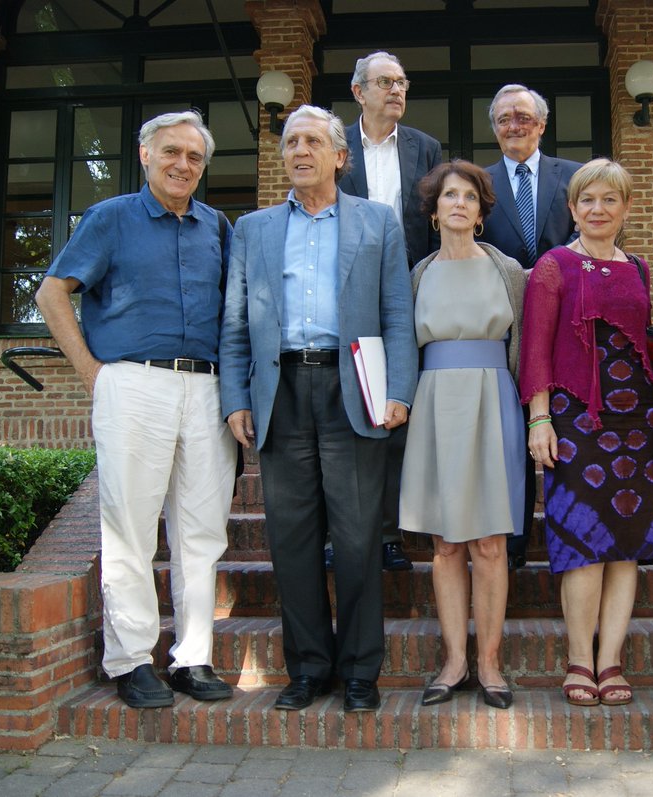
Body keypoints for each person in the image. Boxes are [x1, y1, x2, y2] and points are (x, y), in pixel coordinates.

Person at [218, 105, 418, 714]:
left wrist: (399, 391)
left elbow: (397, 313)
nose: (299, 151)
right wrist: (235, 398)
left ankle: (359, 671)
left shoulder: (377, 221)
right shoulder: (252, 229)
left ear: (340, 156)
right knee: (291, 538)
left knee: (358, 538)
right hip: (279, 392)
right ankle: (307, 668)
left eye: (312, 141)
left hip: (352, 387)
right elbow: (234, 324)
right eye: (290, 142)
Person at [35, 110, 237, 709]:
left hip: (206, 389)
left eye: (194, 156)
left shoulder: (216, 226)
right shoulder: (111, 218)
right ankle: (130, 659)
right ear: (145, 154)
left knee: (202, 531)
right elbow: (51, 292)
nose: (183, 165)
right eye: (171, 152)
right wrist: (92, 373)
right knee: (130, 528)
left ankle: (192, 657)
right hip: (133, 383)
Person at [521, 158, 653, 707]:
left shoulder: (641, 268)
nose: (598, 209)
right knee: (583, 542)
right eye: (588, 200)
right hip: (577, 418)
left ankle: (611, 661)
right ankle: (580, 659)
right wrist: (540, 419)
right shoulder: (554, 266)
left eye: (610, 200)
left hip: (639, 423)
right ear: (572, 208)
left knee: (626, 546)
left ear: (626, 208)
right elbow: (535, 348)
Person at [399, 161, 527, 710]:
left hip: (494, 401)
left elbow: (526, 345)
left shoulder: (508, 271)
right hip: (433, 405)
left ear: (481, 213)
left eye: (469, 197)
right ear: (434, 212)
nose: (459, 203)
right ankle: (454, 661)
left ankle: (490, 663)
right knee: (446, 543)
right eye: (449, 195)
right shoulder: (417, 274)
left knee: (491, 542)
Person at [337, 50, 442, 572]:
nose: (397, 90)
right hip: (349, 292)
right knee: (346, 411)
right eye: (385, 82)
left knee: (397, 408)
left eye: (401, 82)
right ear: (359, 92)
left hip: (406, 291)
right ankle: (341, 533)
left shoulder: (425, 147)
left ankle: (388, 533)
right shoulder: (335, 145)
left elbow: (433, 220)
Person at [479, 83, 582, 571]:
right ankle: (515, 541)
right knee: (510, 436)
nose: (513, 125)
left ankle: (575, 531)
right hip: (501, 329)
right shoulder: (479, 184)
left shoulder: (575, 177)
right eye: (504, 118)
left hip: (567, 325)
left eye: (523, 116)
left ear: (541, 124)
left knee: (568, 427)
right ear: (494, 128)